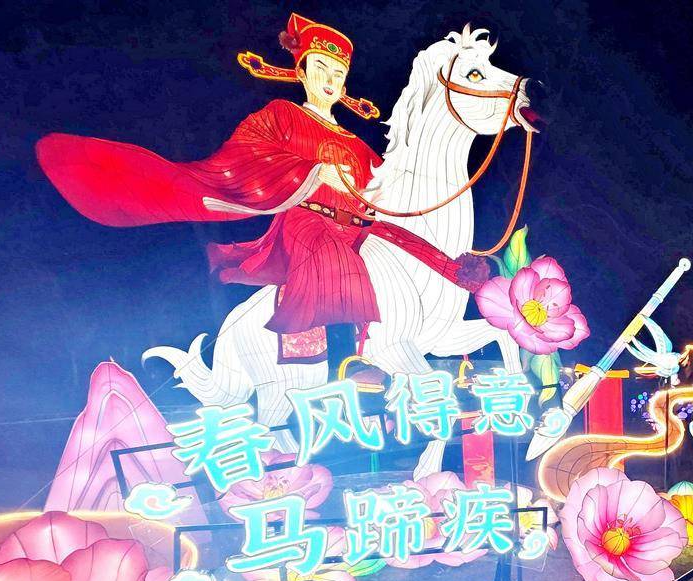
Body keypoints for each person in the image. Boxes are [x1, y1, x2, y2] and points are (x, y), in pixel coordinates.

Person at [36, 13, 450, 366]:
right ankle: (347, 360)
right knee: (333, 257)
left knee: (411, 254)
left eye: (337, 74)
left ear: (344, 85)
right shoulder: (281, 115)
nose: (329, 79)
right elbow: (250, 151)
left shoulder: (356, 143)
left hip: (357, 225)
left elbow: (385, 182)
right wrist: (311, 171)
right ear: (301, 71)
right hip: (309, 223)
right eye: (320, 68)